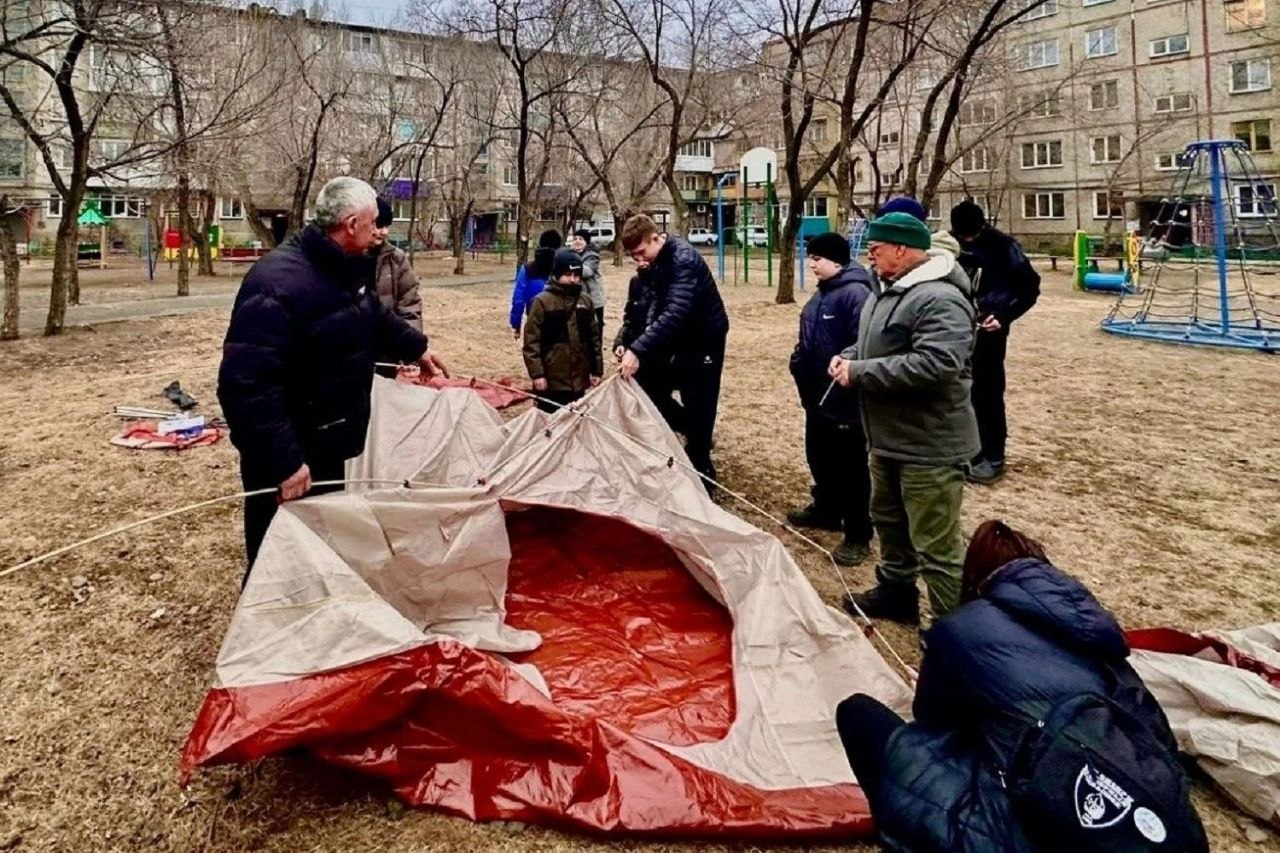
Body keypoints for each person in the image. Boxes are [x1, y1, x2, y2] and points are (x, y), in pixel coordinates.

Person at [835, 520, 1209, 853]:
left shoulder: (963, 626)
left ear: (975, 578)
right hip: (1173, 832)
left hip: (1030, 825)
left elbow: (931, 721)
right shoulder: (1099, 637)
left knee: (860, 716)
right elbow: (1161, 743)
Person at [217, 177, 448, 581]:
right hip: (291, 449)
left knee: (320, 539)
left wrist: (416, 348)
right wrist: (285, 462)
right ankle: (273, 627)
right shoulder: (275, 285)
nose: (380, 230)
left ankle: (319, 613)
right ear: (351, 222)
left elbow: (371, 314)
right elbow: (246, 385)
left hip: (328, 437)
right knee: (279, 551)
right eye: (374, 222)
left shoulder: (347, 267)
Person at [828, 212, 978, 623]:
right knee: (890, 522)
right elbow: (878, 345)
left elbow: (937, 365)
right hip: (888, 437)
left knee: (936, 545)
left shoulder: (940, 299)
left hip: (929, 444)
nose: (869, 257)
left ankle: (951, 630)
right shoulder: (887, 290)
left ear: (901, 248)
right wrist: (852, 356)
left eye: (875, 250)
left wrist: (860, 373)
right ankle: (897, 595)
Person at [618, 214, 729, 491]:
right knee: (650, 386)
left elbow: (676, 311)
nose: (640, 260)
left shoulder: (683, 260)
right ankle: (692, 436)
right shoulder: (658, 262)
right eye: (634, 256)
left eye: (642, 252)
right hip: (680, 340)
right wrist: (635, 343)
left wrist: (638, 348)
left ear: (656, 238)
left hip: (705, 341)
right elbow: (655, 306)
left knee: (700, 403)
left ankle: (703, 473)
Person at [787, 232, 874, 566]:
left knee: (849, 466)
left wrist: (843, 374)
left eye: (817, 258)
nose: (811, 264)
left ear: (836, 260)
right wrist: (798, 362)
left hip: (844, 398)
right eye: (809, 258)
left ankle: (857, 532)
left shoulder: (856, 293)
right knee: (819, 455)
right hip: (816, 396)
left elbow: (862, 342)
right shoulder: (823, 294)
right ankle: (826, 508)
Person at [950, 200, 1041, 485]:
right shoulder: (952, 246)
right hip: (956, 330)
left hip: (989, 332)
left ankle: (993, 456)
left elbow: (1029, 287)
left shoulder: (1003, 247)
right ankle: (967, 452)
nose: (967, 241)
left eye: (971, 236)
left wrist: (1004, 315)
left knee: (987, 393)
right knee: (959, 393)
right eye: (962, 236)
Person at [522, 248, 603, 413]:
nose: (573, 280)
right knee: (549, 422)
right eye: (568, 274)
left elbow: (594, 338)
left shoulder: (586, 302)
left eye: (577, 275)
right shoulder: (541, 302)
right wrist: (537, 375)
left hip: (579, 380)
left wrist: (597, 370)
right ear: (557, 274)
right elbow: (531, 342)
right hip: (552, 380)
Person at [612, 259, 685, 433]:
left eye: (646, 258)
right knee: (641, 397)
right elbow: (629, 318)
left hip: (661, 354)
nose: (642, 262)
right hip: (636, 351)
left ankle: (692, 430)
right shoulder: (635, 282)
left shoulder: (669, 284)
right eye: (638, 258)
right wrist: (621, 342)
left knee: (658, 399)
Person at [370, 197, 422, 330]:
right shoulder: (346, 256)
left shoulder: (396, 258)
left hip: (389, 344)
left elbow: (410, 306)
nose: (385, 232)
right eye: (379, 225)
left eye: (387, 226)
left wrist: (411, 345)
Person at [509, 229, 561, 337]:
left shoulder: (527, 268)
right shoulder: (563, 266)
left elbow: (518, 298)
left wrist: (516, 324)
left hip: (534, 317)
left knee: (533, 351)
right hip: (559, 319)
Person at [570, 229, 606, 334]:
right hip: (577, 300)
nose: (577, 241)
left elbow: (586, 271)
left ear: (586, 242)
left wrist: (569, 265)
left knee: (595, 331)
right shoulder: (572, 254)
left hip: (594, 301)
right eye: (575, 239)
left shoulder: (592, 256)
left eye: (581, 239)